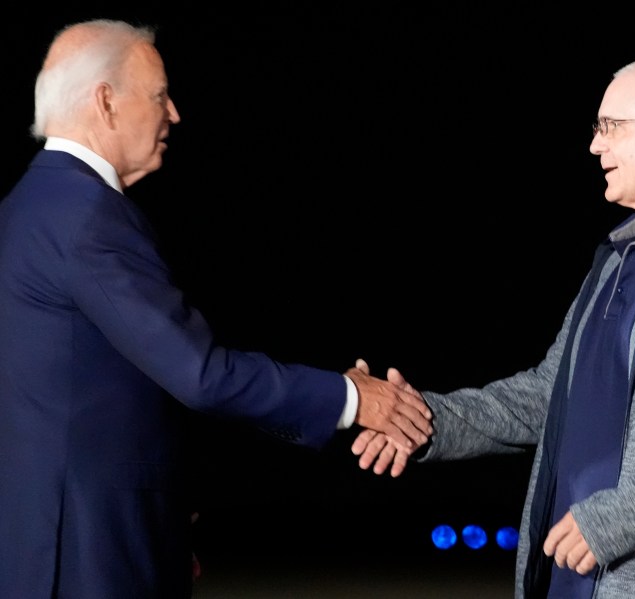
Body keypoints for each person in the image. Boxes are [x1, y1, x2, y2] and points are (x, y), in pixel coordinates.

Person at [0, 18, 432, 599]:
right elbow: (200, 374)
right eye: (159, 96)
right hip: (90, 553)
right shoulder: (85, 215)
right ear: (106, 102)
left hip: (53, 538)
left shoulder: (27, 205)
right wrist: (355, 398)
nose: (174, 114)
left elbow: (94, 394)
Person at [352, 57, 635, 598]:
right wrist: (425, 419)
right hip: (568, 580)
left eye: (611, 126)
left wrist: (616, 520)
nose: (596, 145)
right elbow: (550, 396)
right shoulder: (615, 258)